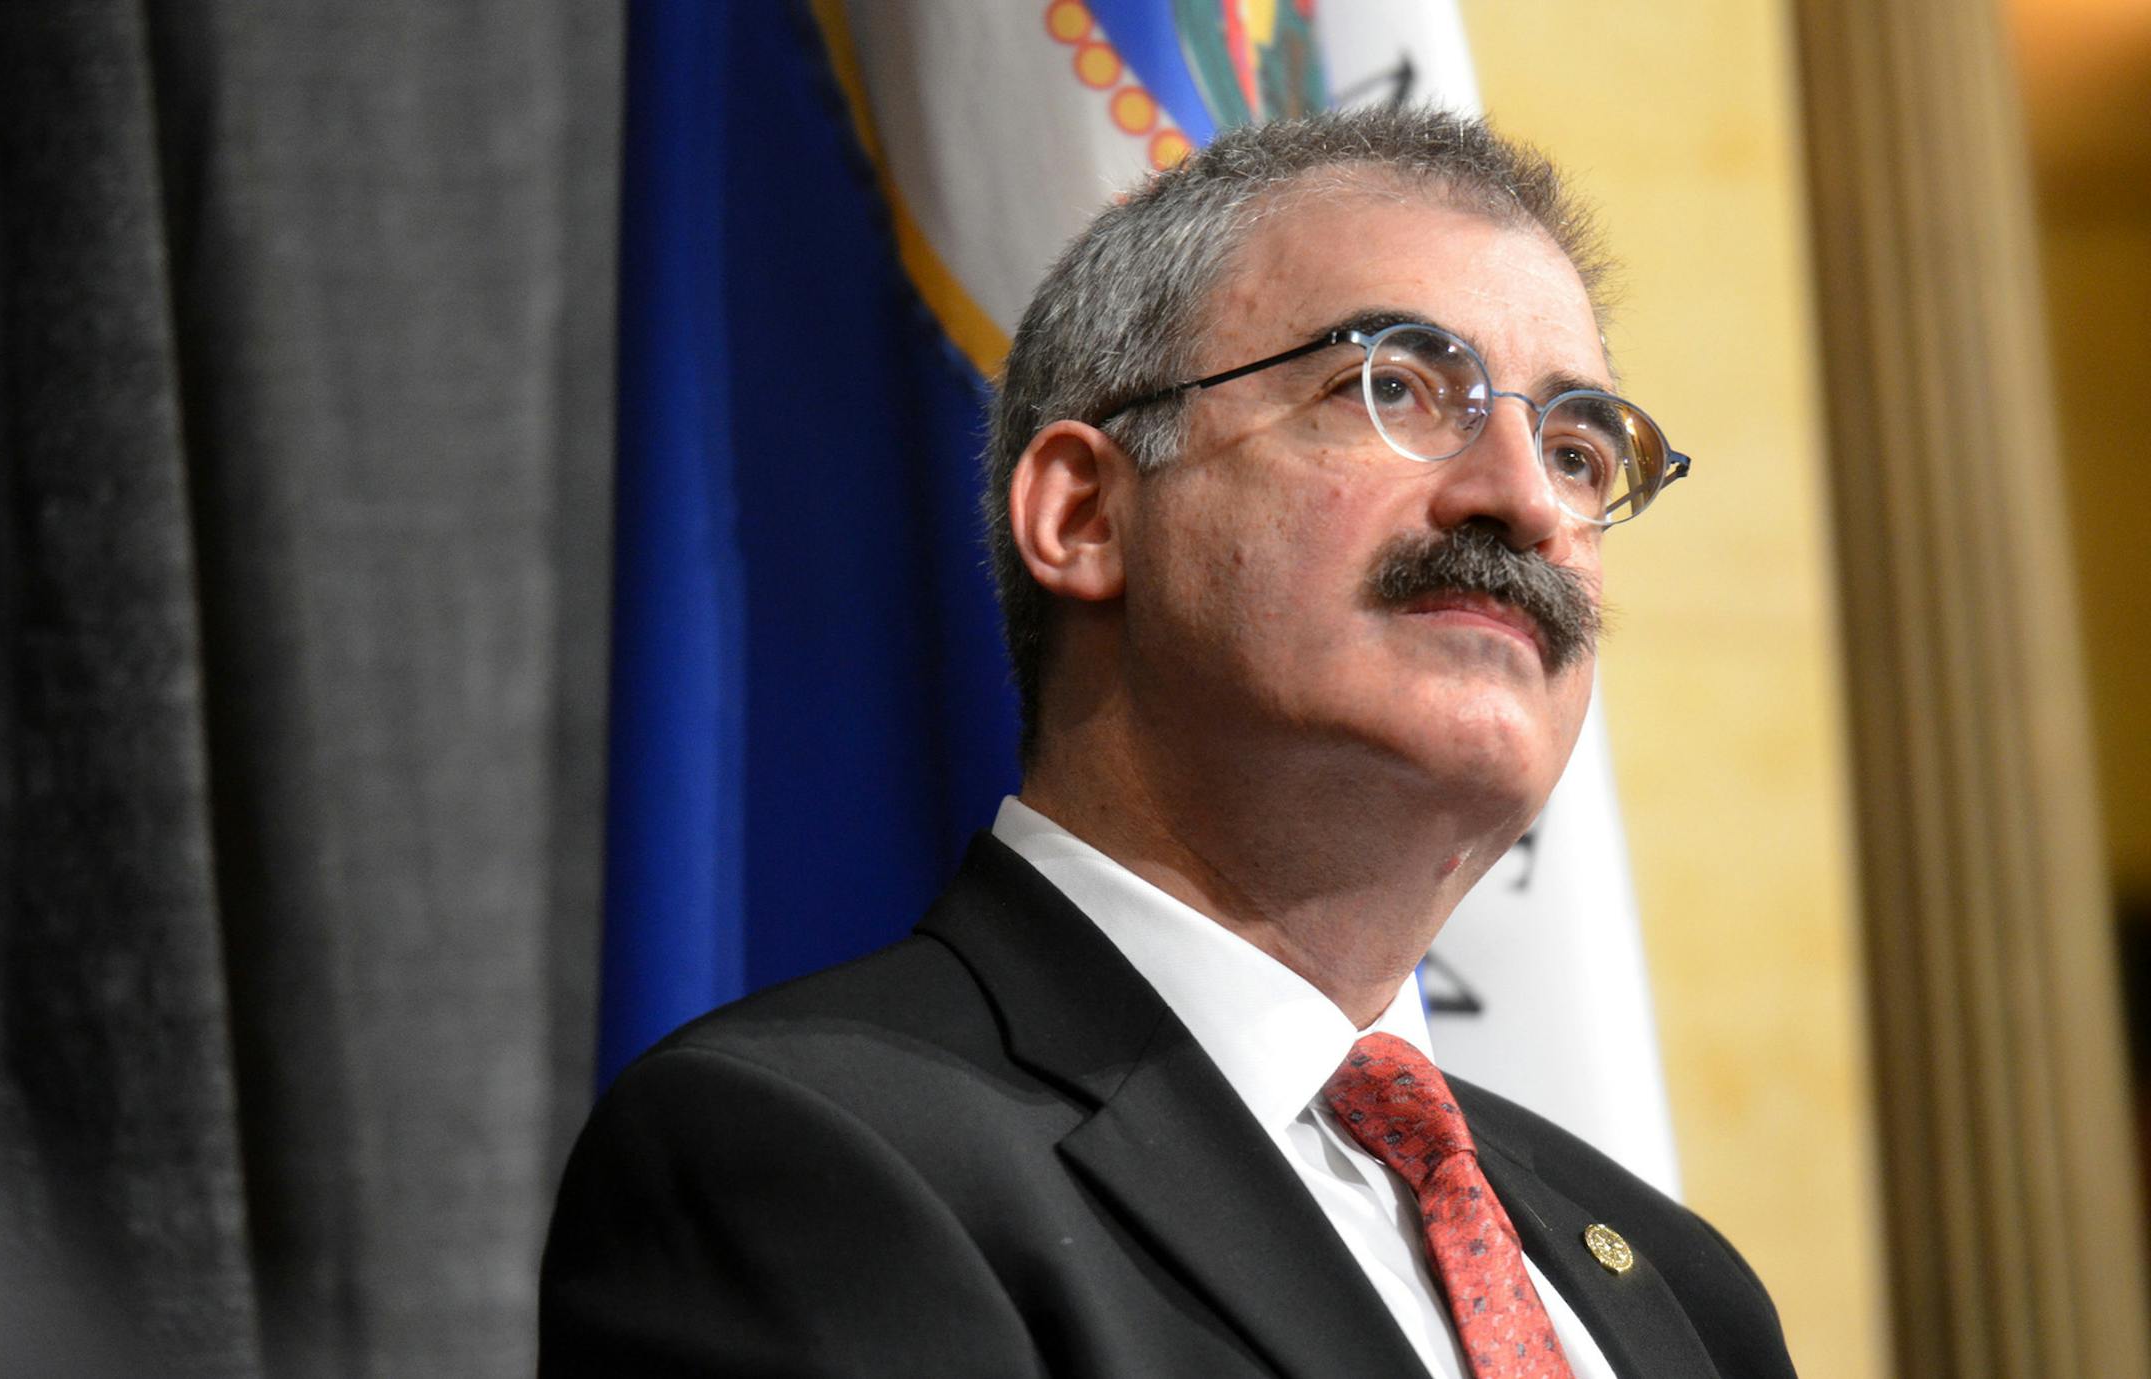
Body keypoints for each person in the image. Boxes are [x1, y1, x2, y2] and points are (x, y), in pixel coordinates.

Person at [541, 106, 1796, 1379]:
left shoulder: (1681, 1288)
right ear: (1084, 513)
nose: (1525, 499)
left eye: (1579, 451)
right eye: (1398, 387)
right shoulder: (805, 1156)